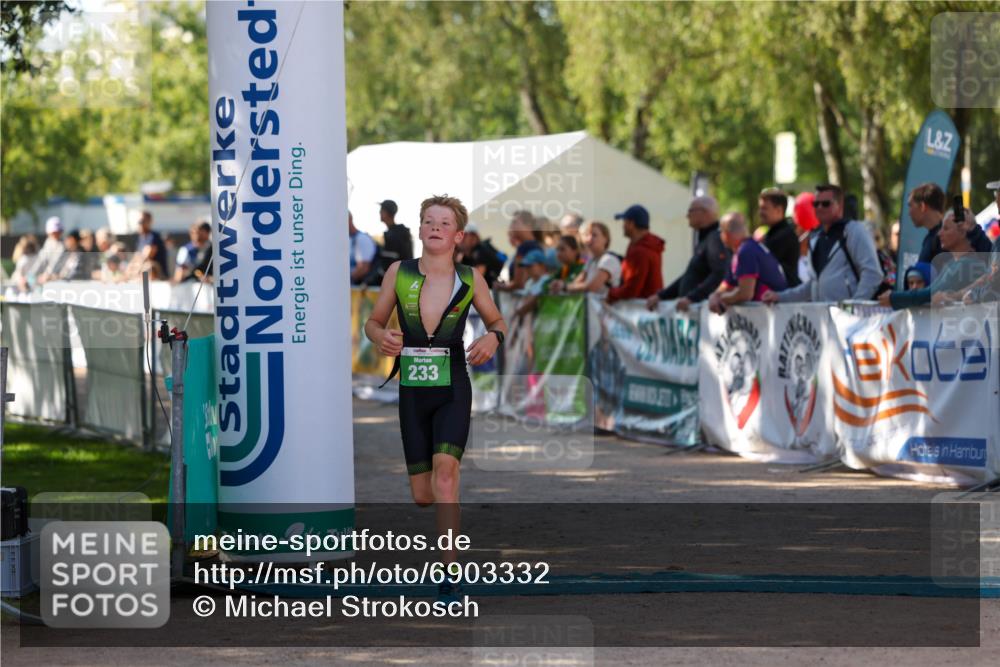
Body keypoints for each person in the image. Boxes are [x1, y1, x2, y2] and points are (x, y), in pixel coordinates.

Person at [364, 195, 506, 603]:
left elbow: (497, 321)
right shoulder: (400, 272)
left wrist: (493, 338)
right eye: (429, 221)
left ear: (458, 236)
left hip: (453, 386)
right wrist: (381, 336)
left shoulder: (470, 278)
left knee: (447, 475)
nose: (436, 228)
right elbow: (373, 322)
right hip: (413, 390)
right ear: (420, 229)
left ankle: (449, 573)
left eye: (445, 223)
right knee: (423, 495)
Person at [762, 184, 882, 304]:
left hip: (848, 314)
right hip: (822, 314)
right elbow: (814, 285)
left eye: (826, 204)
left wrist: (854, 306)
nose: (819, 207)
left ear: (840, 206)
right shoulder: (816, 238)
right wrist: (780, 297)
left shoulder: (853, 231)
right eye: (815, 204)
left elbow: (873, 273)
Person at [880, 207, 988, 309]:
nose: (939, 234)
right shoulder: (953, 263)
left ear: (962, 232)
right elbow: (932, 293)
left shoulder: (967, 264)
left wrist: (894, 298)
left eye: (946, 228)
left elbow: (931, 292)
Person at [647, 196, 728, 311]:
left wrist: (692, 298)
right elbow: (690, 276)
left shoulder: (715, 239)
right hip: (694, 312)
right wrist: (661, 296)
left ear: (705, 212)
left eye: (691, 211)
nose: (687, 215)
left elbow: (720, 273)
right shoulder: (705, 241)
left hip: (704, 313)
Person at [707, 212, 787, 314]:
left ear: (726, 234)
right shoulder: (747, 248)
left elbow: (745, 294)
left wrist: (722, 299)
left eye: (721, 232)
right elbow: (727, 284)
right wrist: (714, 295)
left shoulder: (746, 251)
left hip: (773, 314)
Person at [606, 204, 664, 304]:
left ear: (631, 224)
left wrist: (610, 294)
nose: (622, 226)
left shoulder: (641, 251)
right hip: (646, 305)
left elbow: (632, 289)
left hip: (641, 308)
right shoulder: (645, 245)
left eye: (624, 222)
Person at [551, 220, 621, 297]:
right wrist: (560, 285)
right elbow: (576, 283)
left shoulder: (609, 260)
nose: (590, 238)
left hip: (604, 304)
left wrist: (564, 286)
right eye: (587, 235)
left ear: (606, 239)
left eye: (594, 235)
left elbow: (592, 287)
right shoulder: (591, 261)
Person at [758, 188, 801, 288]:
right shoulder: (773, 233)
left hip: (783, 293)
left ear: (779, 210)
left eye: (764, 208)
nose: (760, 212)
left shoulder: (784, 236)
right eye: (760, 208)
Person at [496, 210, 542, 291]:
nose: (511, 226)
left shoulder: (525, 247)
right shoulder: (537, 245)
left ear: (528, 225)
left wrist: (499, 286)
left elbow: (519, 284)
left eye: (515, 222)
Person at [457, 223, 505, 288]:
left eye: (464, 235)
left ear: (474, 237)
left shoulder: (481, 252)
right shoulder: (466, 253)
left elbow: (476, 279)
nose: (461, 238)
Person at [908, 183, 947, 264]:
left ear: (922, 206)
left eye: (911, 206)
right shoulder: (931, 238)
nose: (909, 213)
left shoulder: (945, 238)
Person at [29, 216, 66, 284]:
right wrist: (31, 276)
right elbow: (39, 263)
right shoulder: (47, 245)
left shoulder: (63, 246)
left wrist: (48, 276)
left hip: (58, 281)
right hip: (46, 280)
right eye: (53, 232)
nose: (55, 234)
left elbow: (58, 266)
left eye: (57, 232)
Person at [378, 199, 413, 271]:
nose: (379, 212)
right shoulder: (399, 232)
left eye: (381, 210)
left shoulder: (394, 235)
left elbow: (389, 263)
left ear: (386, 213)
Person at [349, 211, 380, 286]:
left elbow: (363, 269)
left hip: (359, 287)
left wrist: (343, 281)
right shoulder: (349, 239)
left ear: (349, 220)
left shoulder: (362, 238)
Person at [133, 210, 168, 278]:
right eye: (139, 222)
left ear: (150, 222)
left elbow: (147, 256)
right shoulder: (140, 239)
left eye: (143, 221)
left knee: (148, 266)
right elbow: (136, 257)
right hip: (142, 274)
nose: (141, 224)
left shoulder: (155, 237)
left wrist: (134, 271)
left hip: (159, 276)